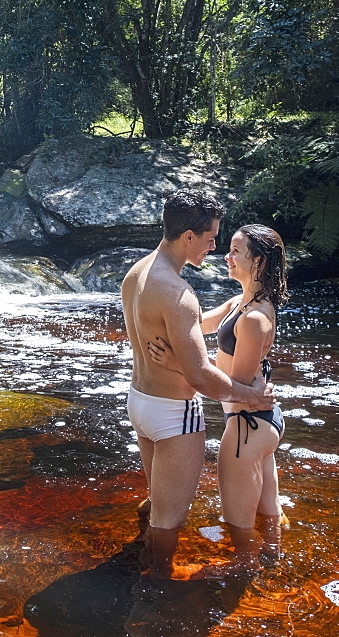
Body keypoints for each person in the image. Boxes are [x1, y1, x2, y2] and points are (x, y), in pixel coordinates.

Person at [121, 189, 275, 579]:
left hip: (140, 401)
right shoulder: (178, 293)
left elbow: (156, 341)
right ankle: (157, 596)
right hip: (175, 416)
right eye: (209, 238)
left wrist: (177, 359)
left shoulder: (136, 273)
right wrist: (251, 396)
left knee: (158, 505)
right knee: (168, 522)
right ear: (188, 236)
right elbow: (200, 376)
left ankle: (141, 567)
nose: (214, 246)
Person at [150, 223, 289, 568]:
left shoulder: (256, 318)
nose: (226, 256)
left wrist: (176, 362)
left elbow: (232, 385)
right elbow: (197, 324)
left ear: (258, 261)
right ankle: (276, 570)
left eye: (235, 251)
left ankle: (246, 580)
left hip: (246, 428)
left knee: (238, 526)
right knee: (270, 516)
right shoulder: (239, 303)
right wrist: (154, 304)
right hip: (259, 424)